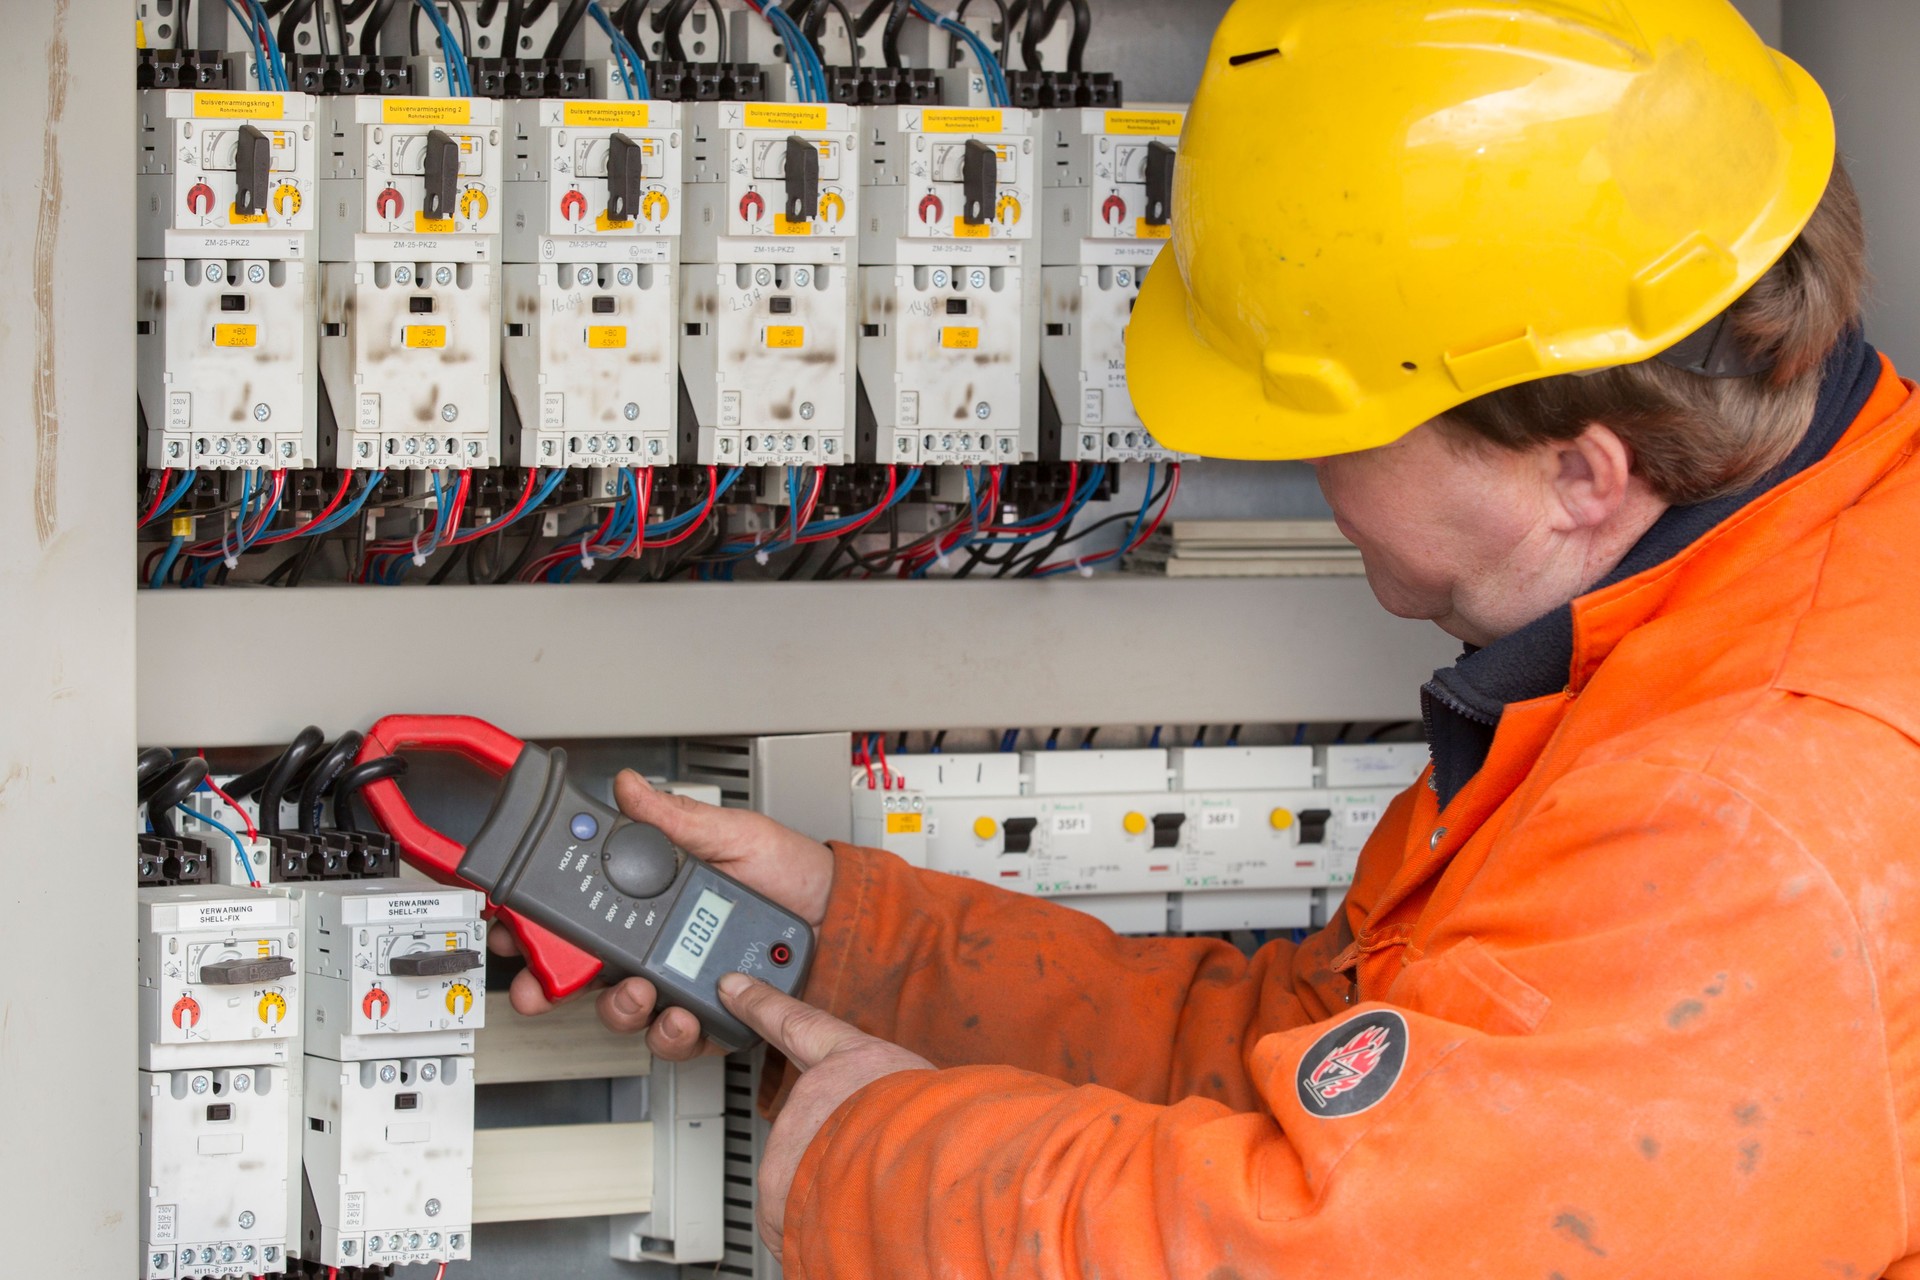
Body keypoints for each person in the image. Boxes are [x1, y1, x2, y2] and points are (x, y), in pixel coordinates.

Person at [497, 0, 1920, 1273]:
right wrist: (852, 937)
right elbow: (1339, 1057)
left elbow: (1334, 1251)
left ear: (1580, 474)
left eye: (1329, 432)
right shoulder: (1750, 610)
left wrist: (870, 1169)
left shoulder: (1748, 813)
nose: (1306, 476)